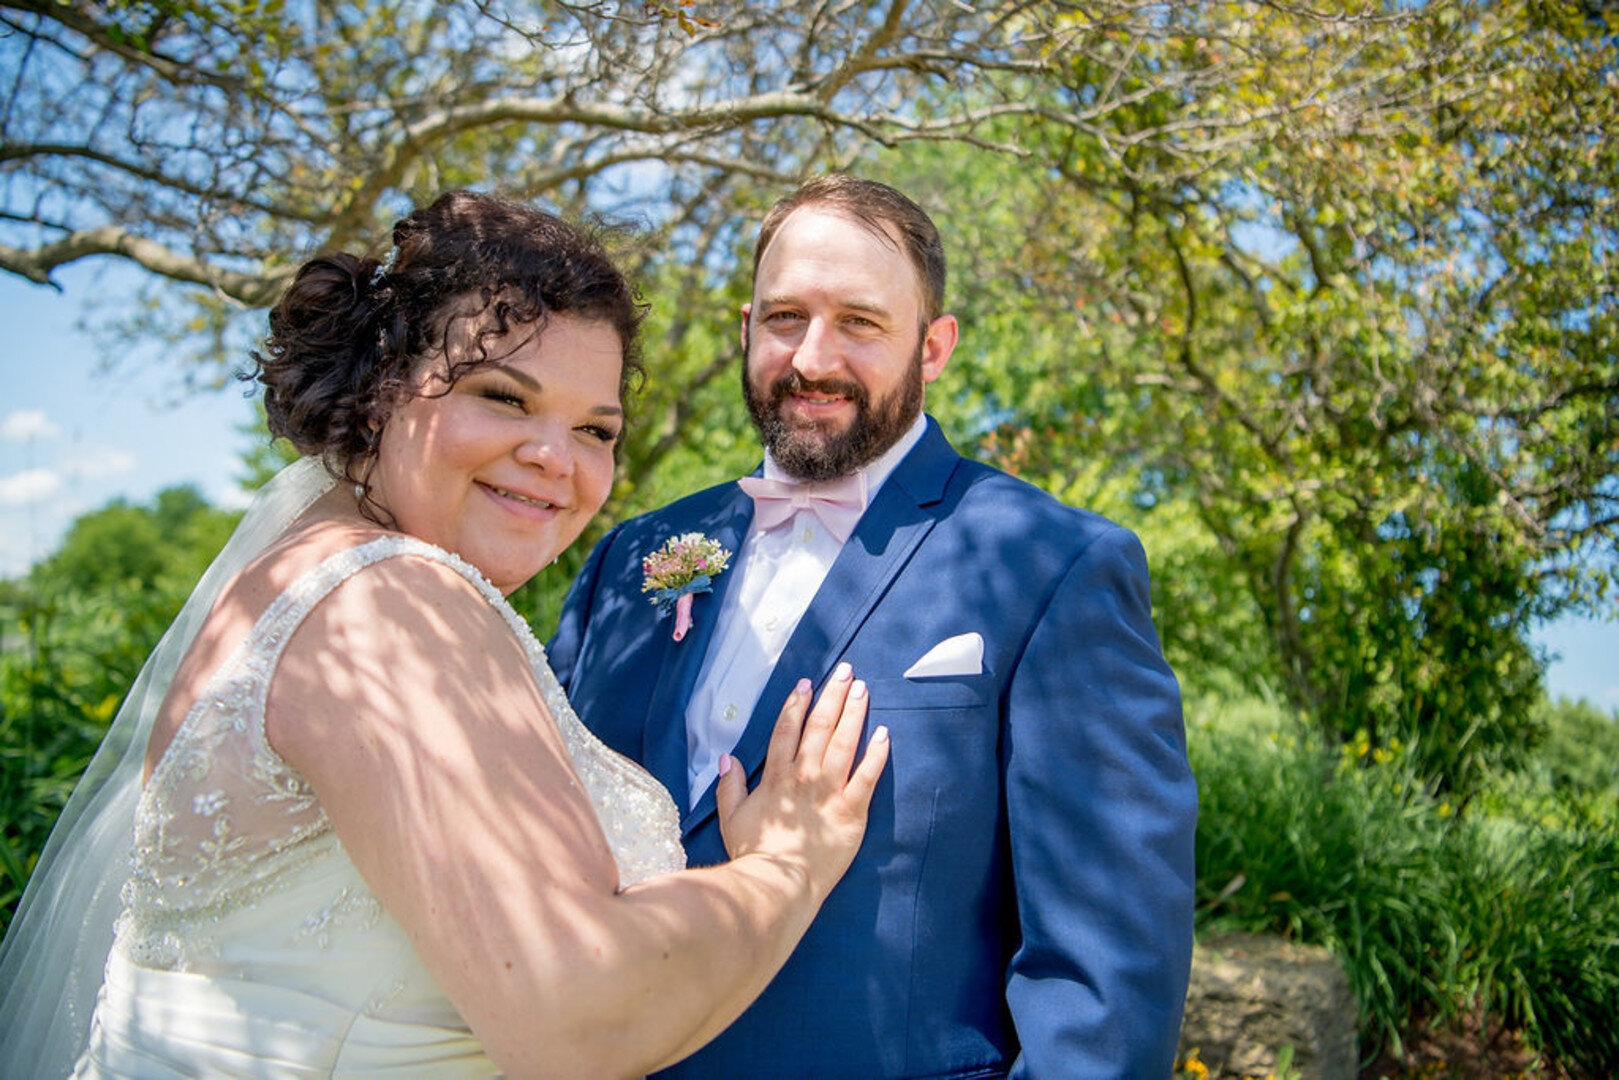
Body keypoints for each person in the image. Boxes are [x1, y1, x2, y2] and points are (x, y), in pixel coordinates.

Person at [0, 189, 890, 1078]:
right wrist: (788, 865)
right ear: (380, 387)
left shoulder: (312, 573)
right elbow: (576, 1018)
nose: (556, 457)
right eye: (503, 397)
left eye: (593, 429)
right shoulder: (389, 605)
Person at [549, 174, 1198, 1078]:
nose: (812, 357)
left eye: (859, 322)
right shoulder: (632, 556)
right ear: (745, 329)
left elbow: (1106, 973)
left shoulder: (1053, 567)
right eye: (784, 319)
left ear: (932, 349)